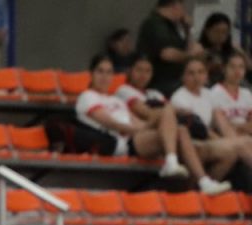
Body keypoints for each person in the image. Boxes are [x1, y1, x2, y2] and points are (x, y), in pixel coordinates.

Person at [78, 55, 231, 194]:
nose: (105, 77)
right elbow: (113, 124)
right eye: (100, 72)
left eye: (109, 72)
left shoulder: (116, 100)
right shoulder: (87, 96)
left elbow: (136, 121)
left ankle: (203, 181)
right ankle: (172, 162)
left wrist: (151, 125)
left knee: (181, 129)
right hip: (120, 144)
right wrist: (145, 128)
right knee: (167, 112)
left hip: (136, 136)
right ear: (91, 74)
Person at [172, 56, 252, 170]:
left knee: (240, 145)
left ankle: (207, 181)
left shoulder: (207, 93)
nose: (196, 77)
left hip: (210, 140)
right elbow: (199, 128)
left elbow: (220, 120)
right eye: (191, 73)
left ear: (206, 75)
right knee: (239, 145)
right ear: (183, 76)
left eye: (200, 72)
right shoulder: (180, 97)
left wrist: (232, 140)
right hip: (192, 143)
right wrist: (230, 142)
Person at [137, 0, 201, 96]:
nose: (183, 11)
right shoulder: (155, 24)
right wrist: (190, 55)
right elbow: (166, 53)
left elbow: (186, 48)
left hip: (175, 79)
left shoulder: (172, 26)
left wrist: (187, 29)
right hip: (162, 82)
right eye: (182, 7)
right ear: (175, 6)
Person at [211, 52, 252, 137]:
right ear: (224, 68)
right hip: (226, 138)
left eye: (241, 67)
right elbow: (221, 125)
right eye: (232, 67)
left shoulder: (247, 93)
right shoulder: (214, 92)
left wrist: (238, 126)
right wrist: (244, 127)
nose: (237, 71)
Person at [199, 12, 245, 85]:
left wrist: (242, 54)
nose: (220, 35)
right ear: (207, 31)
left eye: (224, 32)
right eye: (216, 31)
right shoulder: (200, 50)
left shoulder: (232, 50)